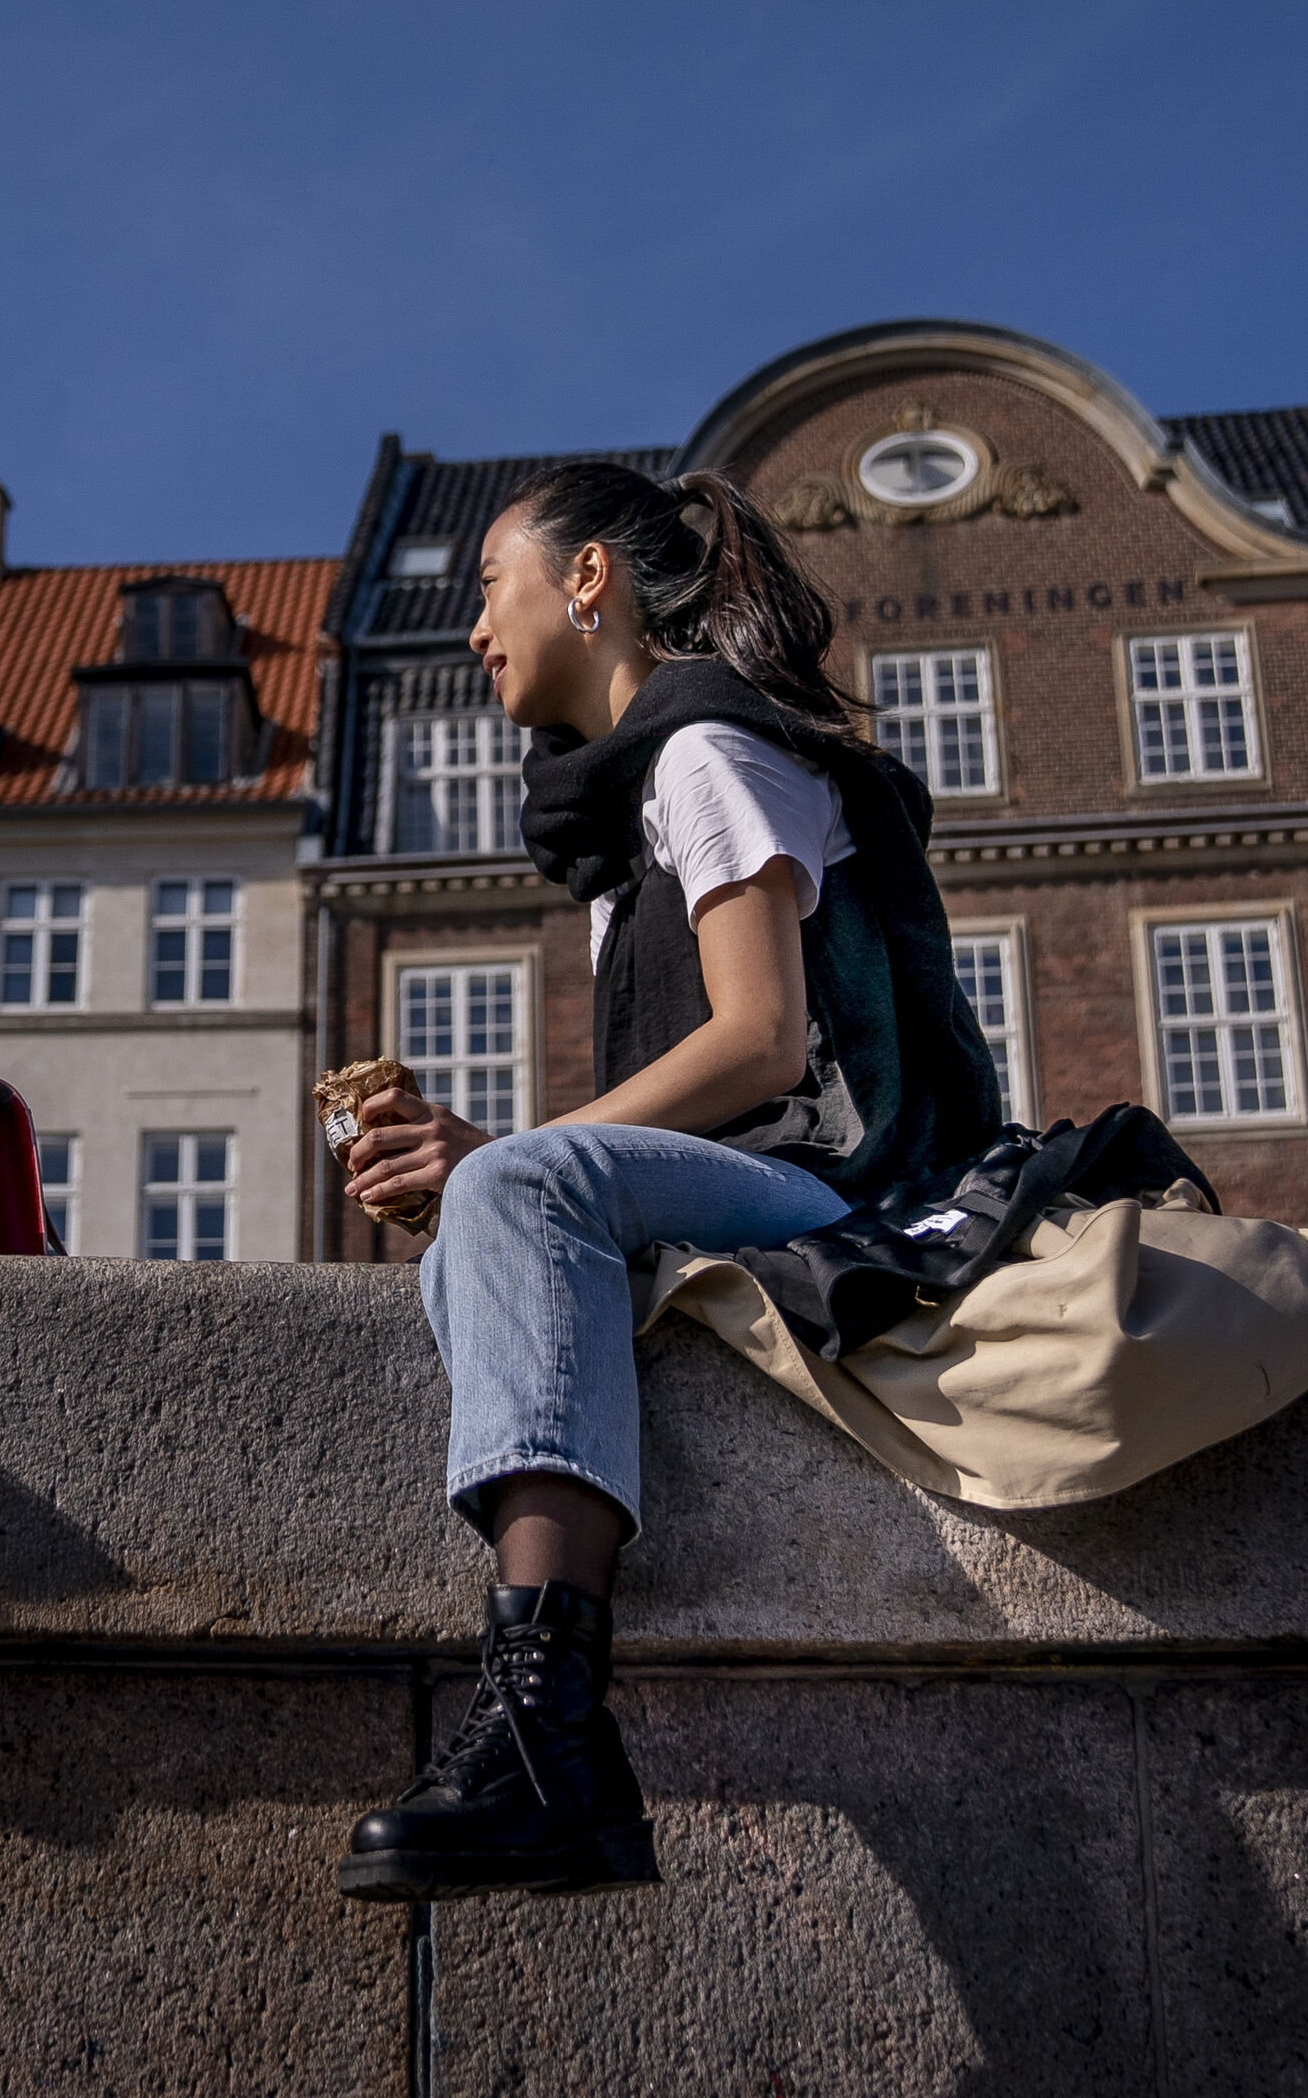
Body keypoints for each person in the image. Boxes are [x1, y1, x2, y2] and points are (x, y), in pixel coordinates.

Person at [333, 462, 1002, 1903]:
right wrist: (495, 1168)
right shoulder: (636, 812)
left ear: (589, 583)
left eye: (492, 586)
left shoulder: (706, 751)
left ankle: (545, 1734)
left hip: (858, 1199)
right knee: (474, 1238)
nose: (474, 632)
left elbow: (760, 1046)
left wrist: (514, 1160)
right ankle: (552, 1732)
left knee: (509, 1196)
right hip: (763, 1189)